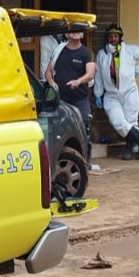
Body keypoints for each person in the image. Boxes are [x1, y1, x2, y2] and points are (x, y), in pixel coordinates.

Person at [93, 23, 139, 159]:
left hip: (129, 91)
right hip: (111, 94)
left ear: (120, 37)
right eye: (110, 36)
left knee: (131, 121)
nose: (113, 39)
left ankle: (133, 149)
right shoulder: (102, 55)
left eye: (115, 36)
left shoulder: (130, 50)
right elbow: (97, 75)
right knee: (118, 122)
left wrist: (137, 70)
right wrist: (98, 93)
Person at [45, 22, 97, 168]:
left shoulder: (85, 52)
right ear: (67, 34)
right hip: (62, 101)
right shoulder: (59, 51)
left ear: (82, 34)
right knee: (60, 131)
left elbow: (90, 73)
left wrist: (78, 81)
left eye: (78, 30)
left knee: (84, 128)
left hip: (79, 100)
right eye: (72, 30)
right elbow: (48, 71)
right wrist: (51, 82)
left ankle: (85, 163)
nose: (75, 33)